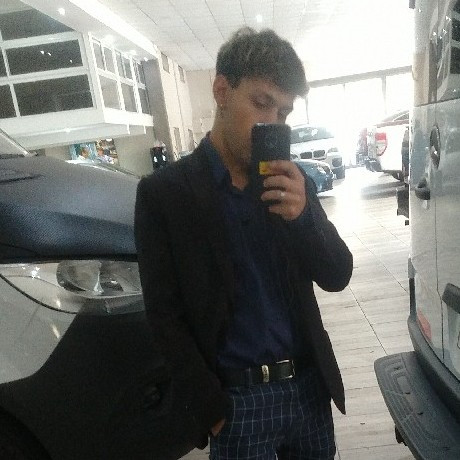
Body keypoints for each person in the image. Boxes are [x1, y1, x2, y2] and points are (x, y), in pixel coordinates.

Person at [135, 27, 353, 460]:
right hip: (236, 405)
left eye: (284, 112)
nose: (273, 122)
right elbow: (164, 317)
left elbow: (337, 274)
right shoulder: (166, 195)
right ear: (221, 91)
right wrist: (211, 408)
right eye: (261, 103)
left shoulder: (291, 184)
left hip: (308, 391)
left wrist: (304, 216)